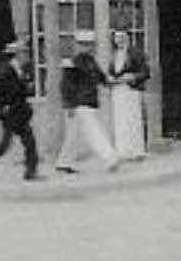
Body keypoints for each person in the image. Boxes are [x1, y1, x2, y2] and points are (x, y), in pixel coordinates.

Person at [55, 34, 120, 174]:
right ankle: (111, 159)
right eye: (84, 44)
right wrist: (69, 105)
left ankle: (63, 163)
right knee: (94, 132)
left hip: (88, 102)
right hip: (79, 104)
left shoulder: (91, 61)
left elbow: (101, 77)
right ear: (78, 45)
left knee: (73, 135)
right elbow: (65, 86)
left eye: (90, 44)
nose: (88, 47)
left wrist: (112, 82)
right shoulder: (72, 62)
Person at [0, 41, 40, 181]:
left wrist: (26, 87)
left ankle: (30, 172)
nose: (27, 55)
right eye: (24, 53)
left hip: (18, 113)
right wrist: (5, 104)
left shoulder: (19, 69)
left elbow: (21, 90)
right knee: (17, 143)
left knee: (21, 143)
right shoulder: (7, 70)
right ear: (17, 54)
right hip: (11, 113)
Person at [106, 29, 150, 161]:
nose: (119, 40)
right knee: (120, 121)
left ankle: (137, 151)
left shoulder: (135, 53)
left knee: (133, 120)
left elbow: (146, 72)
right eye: (116, 38)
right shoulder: (114, 55)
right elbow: (110, 72)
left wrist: (133, 76)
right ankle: (123, 151)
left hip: (131, 90)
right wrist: (110, 79)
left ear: (128, 38)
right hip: (118, 91)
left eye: (122, 37)